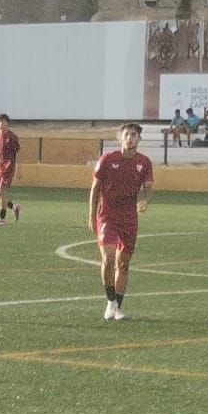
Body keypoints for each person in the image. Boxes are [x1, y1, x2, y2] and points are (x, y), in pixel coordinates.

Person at [88, 122, 153, 322]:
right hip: (107, 215)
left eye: (134, 135)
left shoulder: (145, 162)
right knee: (108, 259)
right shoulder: (107, 159)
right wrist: (91, 216)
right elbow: (95, 189)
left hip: (129, 219)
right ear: (120, 138)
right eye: (127, 134)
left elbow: (148, 187)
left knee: (123, 264)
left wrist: (145, 199)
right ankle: (110, 302)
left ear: (139, 139)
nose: (130, 137)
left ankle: (116, 307)